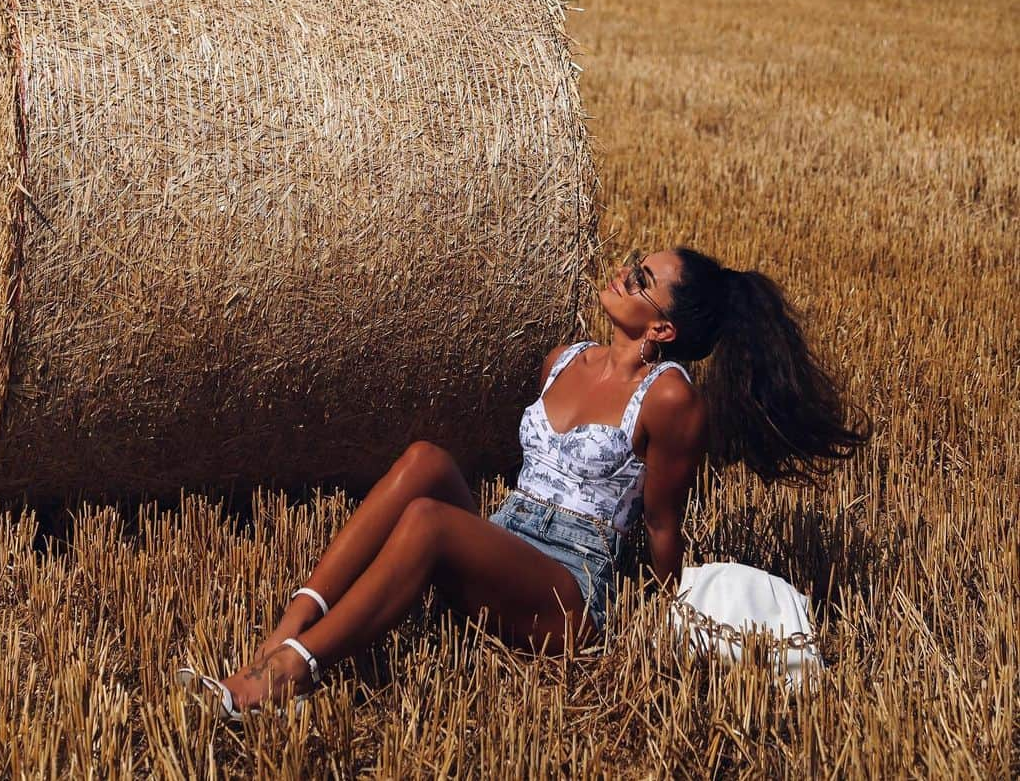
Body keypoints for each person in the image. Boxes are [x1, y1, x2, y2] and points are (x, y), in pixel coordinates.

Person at [178, 247, 868, 718]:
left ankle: (290, 673)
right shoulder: (562, 359)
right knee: (423, 460)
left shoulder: (669, 397)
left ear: (662, 325)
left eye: (640, 278)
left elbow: (662, 524)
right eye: (632, 265)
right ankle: (289, 626)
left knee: (429, 520)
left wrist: (663, 609)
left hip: (567, 589)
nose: (623, 273)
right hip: (508, 538)